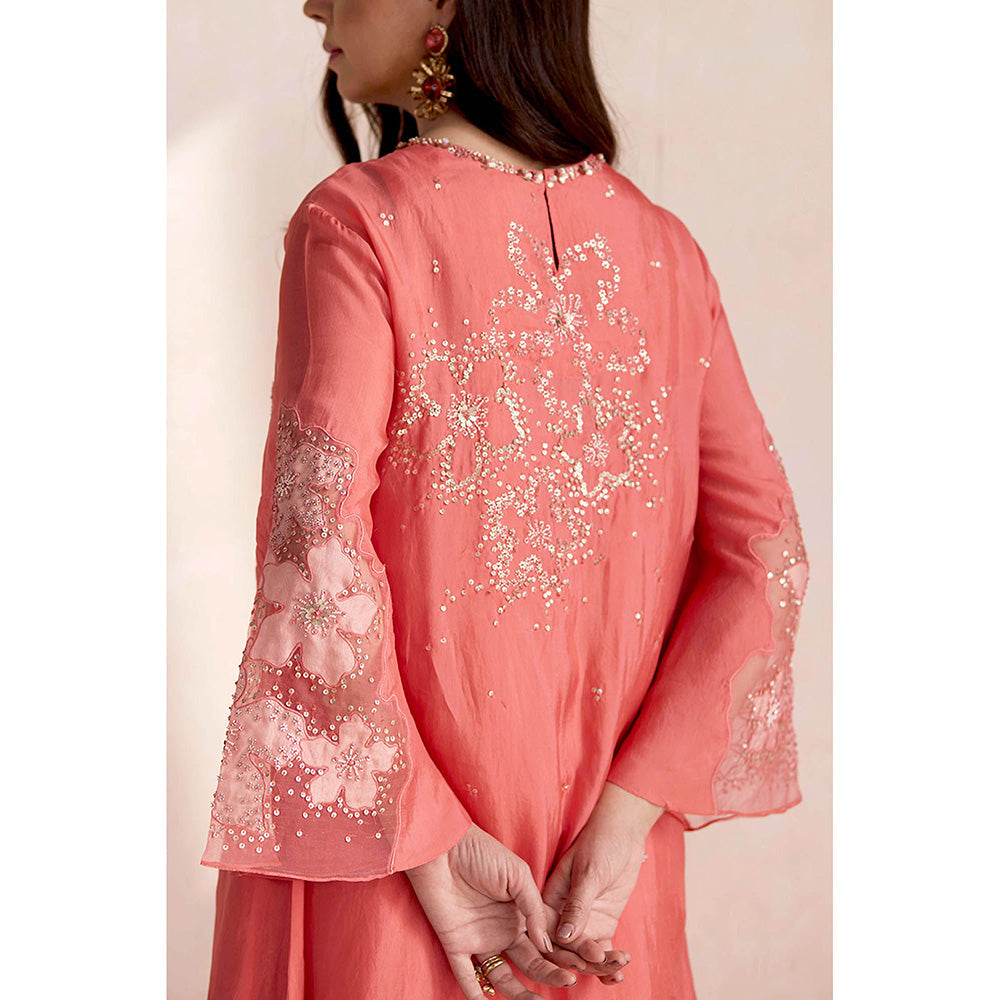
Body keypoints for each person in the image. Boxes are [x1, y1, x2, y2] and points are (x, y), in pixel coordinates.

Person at [199, 1, 812, 997]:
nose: (312, 2)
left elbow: (317, 547)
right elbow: (768, 557)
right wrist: (626, 818)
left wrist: (432, 838)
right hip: (595, 901)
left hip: (393, 866)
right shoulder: (666, 251)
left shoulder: (360, 221)